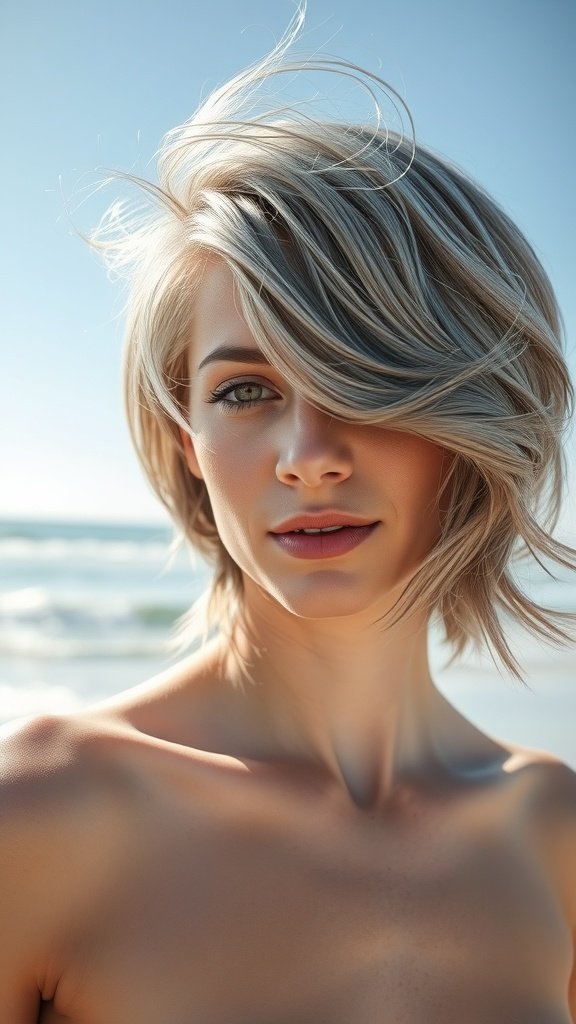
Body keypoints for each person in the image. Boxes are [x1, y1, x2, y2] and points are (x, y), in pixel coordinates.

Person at [2, 7, 576, 1022]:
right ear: (188, 443)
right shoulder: (43, 812)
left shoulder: (552, 836)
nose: (310, 457)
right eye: (245, 391)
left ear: (471, 413)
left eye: (363, 381)